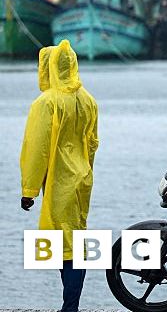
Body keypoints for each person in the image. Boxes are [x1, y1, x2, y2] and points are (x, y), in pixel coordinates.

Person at [20, 41, 99, 312]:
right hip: (82, 178)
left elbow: (36, 148)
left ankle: (70, 307)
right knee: (75, 240)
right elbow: (92, 143)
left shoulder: (46, 103)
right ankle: (71, 305)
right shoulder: (88, 100)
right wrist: (85, 170)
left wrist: (29, 190)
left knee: (64, 246)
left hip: (58, 181)